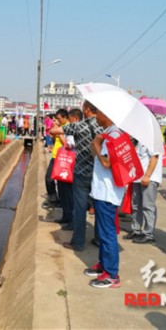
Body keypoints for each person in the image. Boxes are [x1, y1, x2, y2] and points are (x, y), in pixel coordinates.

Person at [83, 107, 126, 288]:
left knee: (107, 234)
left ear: (106, 115)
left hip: (108, 192)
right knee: (101, 231)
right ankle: (103, 265)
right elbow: (100, 159)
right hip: (102, 190)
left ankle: (112, 275)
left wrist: (98, 145)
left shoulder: (114, 136)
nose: (95, 117)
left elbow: (107, 163)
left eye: (97, 113)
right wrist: (97, 143)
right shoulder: (107, 133)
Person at [62, 101, 102, 252]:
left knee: (79, 208)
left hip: (81, 173)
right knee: (99, 208)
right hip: (99, 174)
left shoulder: (79, 126)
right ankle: (99, 239)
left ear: (86, 110)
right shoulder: (105, 127)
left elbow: (56, 130)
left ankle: (78, 242)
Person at [123, 140, 162, 244]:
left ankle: (148, 233)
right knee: (136, 205)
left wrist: (148, 175)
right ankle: (136, 229)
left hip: (148, 178)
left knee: (147, 206)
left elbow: (154, 158)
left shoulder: (153, 140)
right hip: (138, 177)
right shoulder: (140, 140)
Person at [48, 109, 73, 227]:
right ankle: (65, 215)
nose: (57, 121)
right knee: (59, 187)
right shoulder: (61, 127)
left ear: (65, 117)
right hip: (56, 157)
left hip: (64, 160)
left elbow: (66, 144)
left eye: (59, 118)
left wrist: (58, 132)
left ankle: (69, 217)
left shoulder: (68, 128)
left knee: (66, 190)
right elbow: (53, 138)